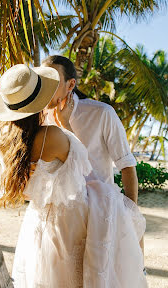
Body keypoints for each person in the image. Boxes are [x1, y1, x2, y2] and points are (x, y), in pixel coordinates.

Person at [0, 64, 149, 288]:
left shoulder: (1, 138)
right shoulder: (52, 134)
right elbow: (85, 169)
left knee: (47, 279)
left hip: (38, 219)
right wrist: (66, 125)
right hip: (72, 219)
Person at [41, 55, 139, 204]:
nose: (46, 88)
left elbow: (126, 165)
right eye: (43, 80)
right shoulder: (40, 118)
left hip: (99, 208)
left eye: (53, 81)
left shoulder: (101, 113)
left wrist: (131, 214)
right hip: (57, 209)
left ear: (70, 85)